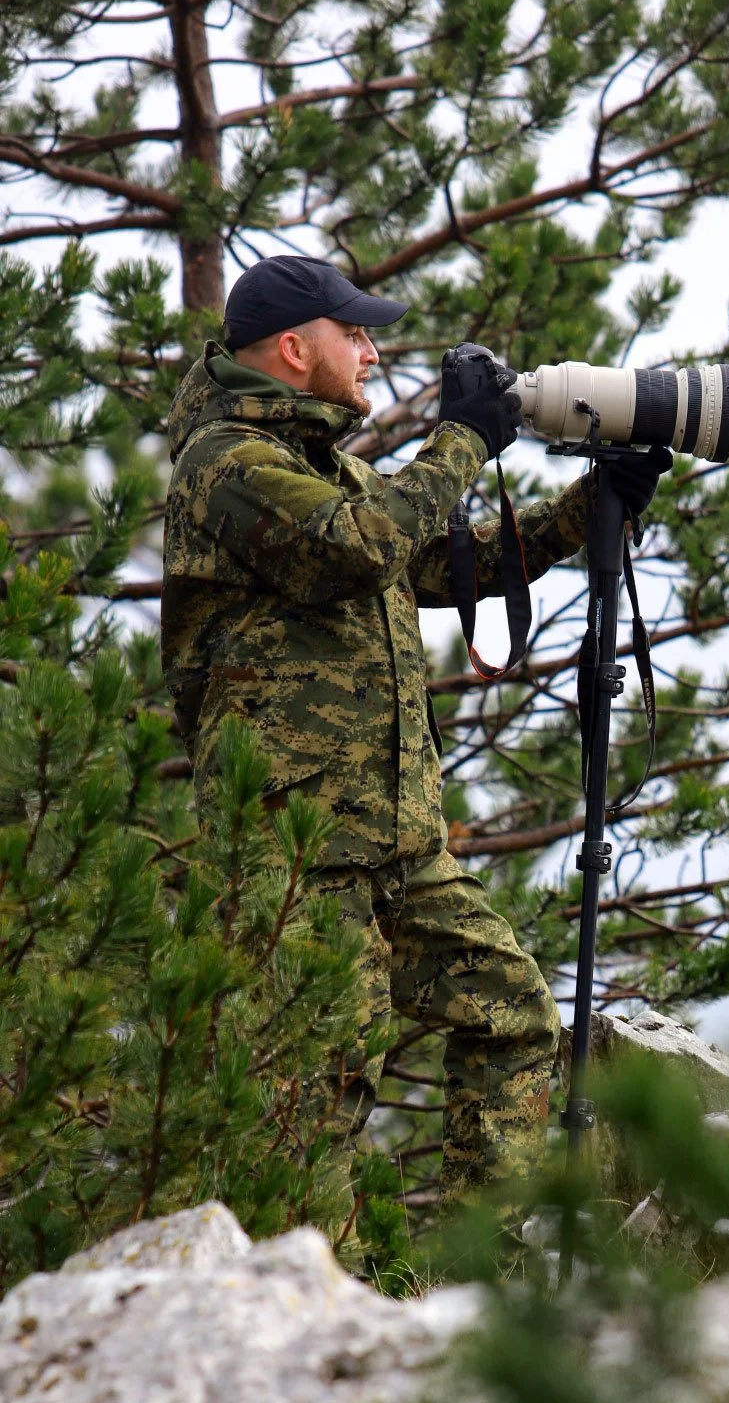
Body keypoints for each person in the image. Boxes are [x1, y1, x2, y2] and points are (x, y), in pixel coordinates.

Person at [162, 253, 666, 1207]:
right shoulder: (224, 464)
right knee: (315, 1097)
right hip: (296, 850)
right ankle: (313, 1321)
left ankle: (480, 1278)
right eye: (354, 335)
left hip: (396, 842)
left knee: (512, 1015)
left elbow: (440, 566)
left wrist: (582, 514)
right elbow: (355, 550)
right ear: (292, 348)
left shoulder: (326, 466)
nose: (371, 350)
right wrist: (464, 441)